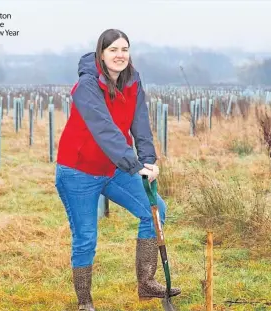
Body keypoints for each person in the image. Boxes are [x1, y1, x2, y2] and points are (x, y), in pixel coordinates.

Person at [54, 29, 181, 310]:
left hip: (112, 169)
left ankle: (147, 283)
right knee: (86, 237)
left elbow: (140, 123)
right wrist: (135, 165)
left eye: (124, 49)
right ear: (101, 53)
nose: (120, 55)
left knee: (154, 211)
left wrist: (148, 160)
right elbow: (106, 132)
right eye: (113, 50)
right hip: (78, 171)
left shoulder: (133, 81)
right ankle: (85, 302)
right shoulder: (86, 86)